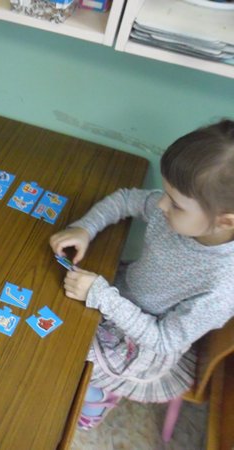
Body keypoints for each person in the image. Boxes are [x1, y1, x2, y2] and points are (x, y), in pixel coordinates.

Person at [49, 119, 234, 429]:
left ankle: (97, 397)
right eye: (166, 193)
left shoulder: (222, 287)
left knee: (62, 349)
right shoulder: (177, 212)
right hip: (121, 294)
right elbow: (125, 199)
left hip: (142, 343)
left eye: (175, 204)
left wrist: (102, 296)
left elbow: (163, 340)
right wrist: (85, 228)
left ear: (225, 221)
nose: (160, 204)